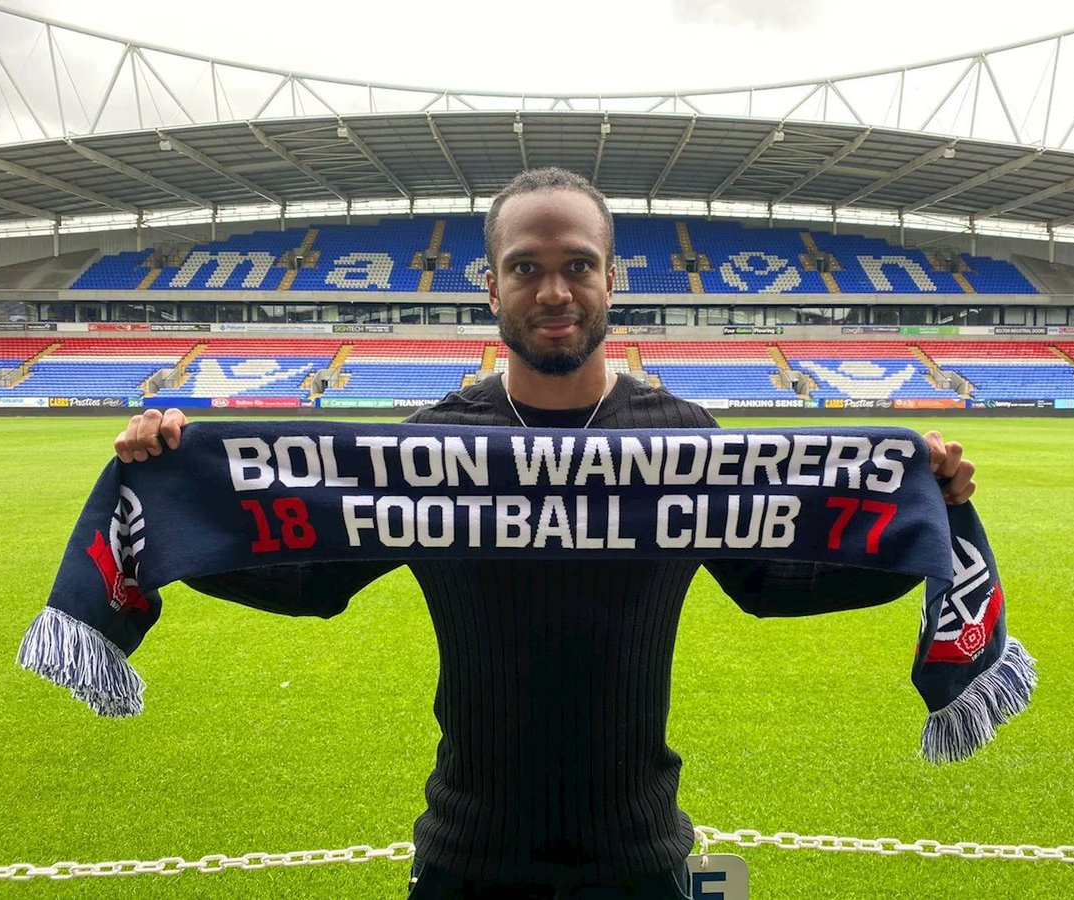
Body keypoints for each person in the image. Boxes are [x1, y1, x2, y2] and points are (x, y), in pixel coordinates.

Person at [115, 168, 975, 899]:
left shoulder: (682, 439)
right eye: (525, 267)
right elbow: (311, 580)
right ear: (490, 286)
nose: (553, 291)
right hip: (466, 856)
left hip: (642, 858)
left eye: (577, 266)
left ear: (612, 281)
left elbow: (772, 581)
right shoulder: (431, 446)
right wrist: (172, 499)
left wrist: (919, 519)